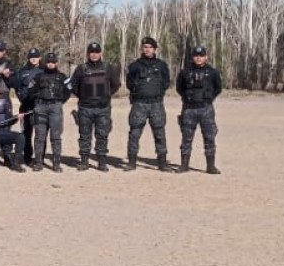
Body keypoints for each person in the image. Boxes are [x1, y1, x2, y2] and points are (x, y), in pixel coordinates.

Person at [70, 41, 122, 171]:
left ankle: (102, 162)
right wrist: (83, 95)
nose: (94, 55)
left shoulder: (108, 68)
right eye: (91, 52)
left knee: (102, 135)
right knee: (84, 135)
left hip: (102, 108)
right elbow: (73, 85)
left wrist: (106, 95)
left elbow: (116, 84)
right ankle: (84, 161)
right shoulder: (81, 69)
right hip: (85, 107)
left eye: (96, 52)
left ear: (100, 53)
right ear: (88, 54)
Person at [125, 36, 173, 171]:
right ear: (141, 48)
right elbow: (129, 83)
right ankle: (131, 162)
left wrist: (156, 93)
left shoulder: (162, 65)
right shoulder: (134, 66)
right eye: (145, 47)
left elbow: (166, 83)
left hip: (156, 104)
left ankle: (162, 163)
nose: (147, 50)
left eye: (150, 47)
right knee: (134, 133)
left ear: (155, 49)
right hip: (139, 104)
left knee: (160, 133)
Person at [176, 46, 223, 174]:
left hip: (206, 109)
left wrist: (209, 98)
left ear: (206, 57)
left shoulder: (213, 72)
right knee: (186, 138)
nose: (198, 58)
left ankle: (211, 166)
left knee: (209, 137)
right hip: (189, 109)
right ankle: (184, 165)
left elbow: (218, 88)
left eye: (201, 55)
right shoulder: (185, 72)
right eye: (196, 56)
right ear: (192, 57)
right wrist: (188, 98)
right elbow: (179, 88)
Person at [29, 53, 70, 172]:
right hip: (40, 107)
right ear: (45, 63)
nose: (51, 64)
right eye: (48, 62)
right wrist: (37, 99)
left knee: (56, 137)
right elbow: (30, 90)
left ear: (56, 63)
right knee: (39, 137)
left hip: (55, 107)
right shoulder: (38, 76)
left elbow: (69, 90)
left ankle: (56, 164)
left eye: (53, 62)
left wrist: (60, 102)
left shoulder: (62, 77)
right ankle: (38, 163)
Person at [14, 48, 44, 164]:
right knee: (26, 133)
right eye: (31, 56)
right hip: (25, 106)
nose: (33, 59)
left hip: (40, 107)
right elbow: (17, 87)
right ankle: (27, 157)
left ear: (39, 57)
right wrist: (21, 97)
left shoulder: (44, 70)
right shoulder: (22, 71)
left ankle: (39, 158)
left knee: (40, 134)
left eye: (36, 56)